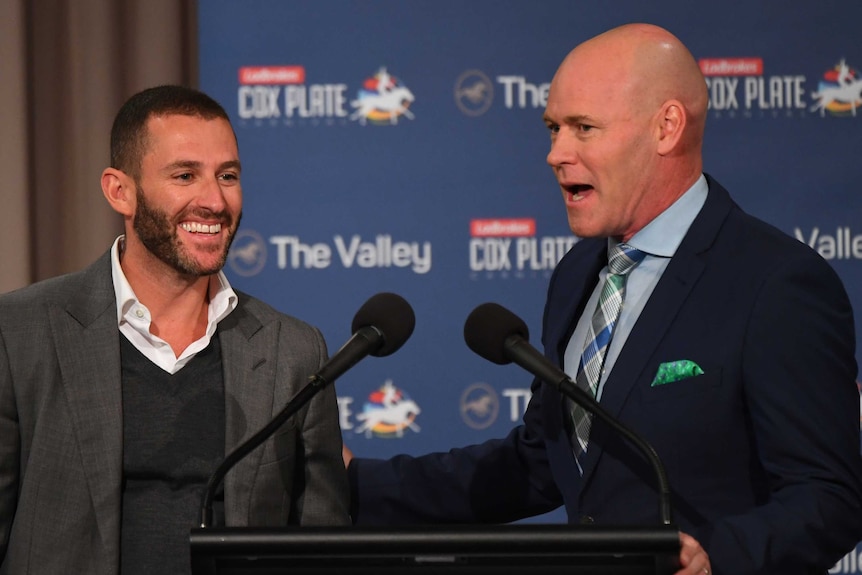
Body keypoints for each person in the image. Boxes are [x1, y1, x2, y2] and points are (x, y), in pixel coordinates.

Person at [344, 23, 862, 575]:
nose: (555, 153)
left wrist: (719, 558)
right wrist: (357, 482)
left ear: (666, 127)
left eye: (583, 128)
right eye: (552, 129)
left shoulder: (775, 282)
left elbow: (828, 496)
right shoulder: (577, 274)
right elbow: (541, 462)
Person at [0, 85, 350, 574]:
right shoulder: (21, 334)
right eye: (185, 175)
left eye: (227, 176)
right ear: (120, 191)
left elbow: (322, 548)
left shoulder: (293, 350)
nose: (214, 200)